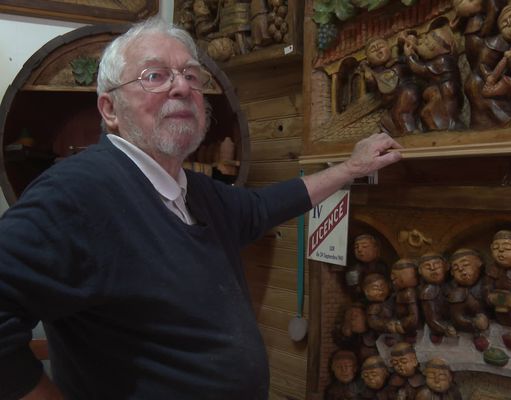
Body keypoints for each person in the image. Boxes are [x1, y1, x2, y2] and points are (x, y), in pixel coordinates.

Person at [0, 17, 402, 400]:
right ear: (110, 110)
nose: (181, 88)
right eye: (155, 76)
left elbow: (264, 206)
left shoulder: (192, 190)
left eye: (191, 76)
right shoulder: (76, 193)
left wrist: (351, 167)